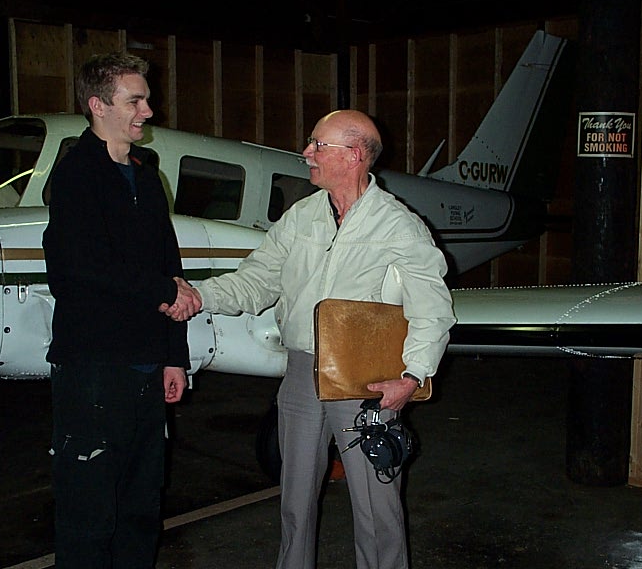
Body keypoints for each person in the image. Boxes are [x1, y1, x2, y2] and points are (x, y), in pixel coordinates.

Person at [167, 109, 455, 569]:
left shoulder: (398, 226)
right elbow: (256, 281)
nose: (306, 153)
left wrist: (412, 376)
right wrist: (198, 296)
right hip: (301, 372)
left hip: (368, 382)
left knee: (376, 508)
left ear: (354, 156)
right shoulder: (301, 217)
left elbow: (433, 310)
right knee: (295, 500)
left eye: (319, 145)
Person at [42, 52, 200, 568]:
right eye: (135, 100)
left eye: (145, 99)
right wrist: (162, 290)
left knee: (140, 506)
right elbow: (81, 265)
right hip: (94, 368)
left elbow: (169, 266)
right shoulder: (74, 176)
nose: (147, 111)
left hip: (146, 367)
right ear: (97, 105)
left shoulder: (147, 177)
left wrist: (174, 355)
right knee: (89, 512)